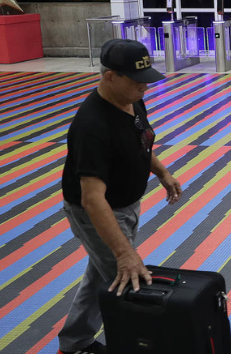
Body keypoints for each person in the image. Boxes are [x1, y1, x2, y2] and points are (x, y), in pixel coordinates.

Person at [57, 39, 183, 354]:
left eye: (146, 79)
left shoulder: (130, 98)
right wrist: (125, 253)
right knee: (129, 282)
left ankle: (74, 343)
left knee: (103, 276)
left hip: (125, 205)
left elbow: (141, 141)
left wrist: (162, 172)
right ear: (110, 76)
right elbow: (92, 199)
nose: (145, 87)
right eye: (136, 80)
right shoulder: (93, 126)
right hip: (99, 212)